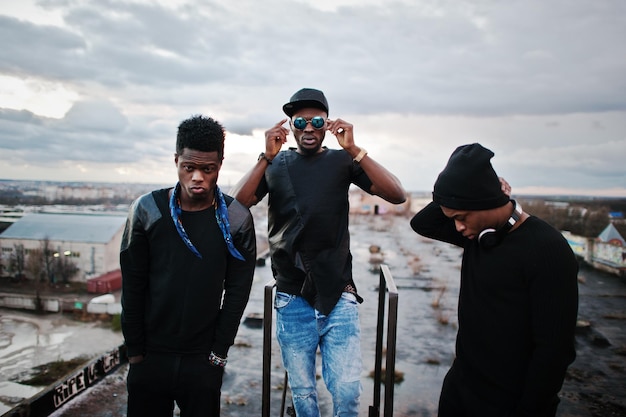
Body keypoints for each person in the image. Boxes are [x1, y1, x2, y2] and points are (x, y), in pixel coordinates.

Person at [232, 88, 406, 416]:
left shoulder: (342, 160)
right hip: (291, 295)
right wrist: (265, 156)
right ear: (290, 126)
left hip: (338, 291)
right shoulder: (276, 163)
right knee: (302, 391)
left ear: (328, 124)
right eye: (300, 121)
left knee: (346, 389)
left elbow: (397, 195)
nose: (308, 128)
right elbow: (236, 205)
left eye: (316, 121)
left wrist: (354, 148)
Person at [410, 143, 579, 417]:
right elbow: (422, 223)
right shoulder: (478, 235)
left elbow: (554, 351)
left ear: (487, 202)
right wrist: (457, 188)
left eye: (462, 217)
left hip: (509, 403)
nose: (458, 227)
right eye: (452, 219)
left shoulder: (548, 250)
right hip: (460, 391)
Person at [120, 115, 256, 417]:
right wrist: (136, 351)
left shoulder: (235, 219)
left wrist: (219, 353)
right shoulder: (147, 210)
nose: (197, 177)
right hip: (150, 357)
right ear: (176, 160)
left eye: (207, 169)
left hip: (202, 361)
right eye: (189, 167)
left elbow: (237, 293)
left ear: (219, 165)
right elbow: (132, 284)